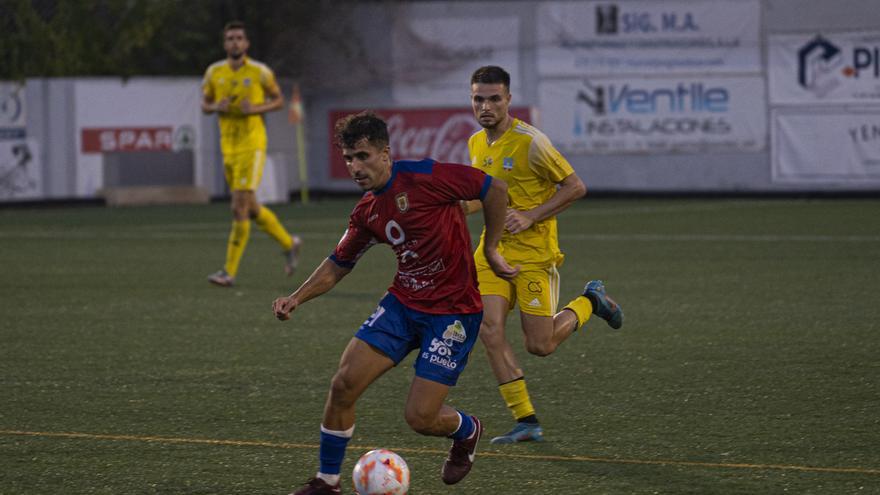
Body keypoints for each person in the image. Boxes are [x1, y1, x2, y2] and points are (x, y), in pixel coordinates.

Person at [272, 112, 517, 494]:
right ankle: (327, 481)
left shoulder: (425, 176)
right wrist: (296, 297)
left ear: (385, 154)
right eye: (348, 158)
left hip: (452, 314)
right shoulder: (367, 211)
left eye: (363, 156)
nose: (355, 167)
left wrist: (491, 248)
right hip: (403, 305)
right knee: (343, 384)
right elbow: (338, 263)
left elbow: (494, 188)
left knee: (420, 418)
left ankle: (467, 430)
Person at [463, 65, 624, 444]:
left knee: (540, 344)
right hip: (492, 251)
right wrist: (449, 208)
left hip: (534, 256)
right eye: (478, 99)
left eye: (494, 99)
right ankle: (526, 420)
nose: (486, 106)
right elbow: (482, 197)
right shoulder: (476, 143)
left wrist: (531, 215)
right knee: (488, 329)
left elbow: (575, 186)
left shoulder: (532, 142)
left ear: (508, 100)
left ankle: (590, 302)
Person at [201, 20, 302, 287]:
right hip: (228, 146)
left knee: (238, 206)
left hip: (252, 144)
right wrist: (216, 106)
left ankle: (228, 272)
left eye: (239, 38)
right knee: (251, 207)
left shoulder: (260, 72)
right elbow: (204, 104)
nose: (235, 42)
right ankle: (289, 243)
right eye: (230, 38)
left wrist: (255, 109)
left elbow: (278, 100)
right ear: (225, 44)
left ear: (246, 43)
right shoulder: (214, 72)